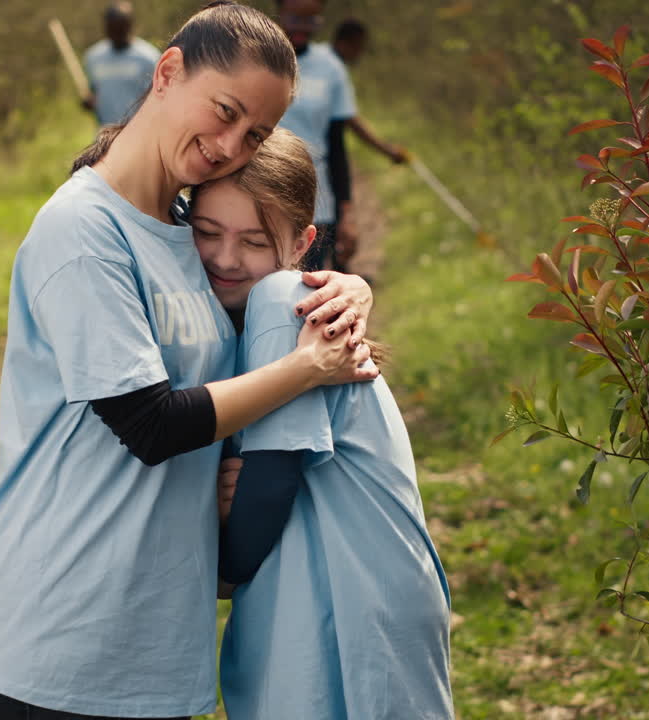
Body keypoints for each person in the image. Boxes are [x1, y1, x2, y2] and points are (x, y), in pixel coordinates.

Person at [0, 4, 378, 719]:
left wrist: (342, 285)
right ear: (167, 71)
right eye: (224, 111)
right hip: (61, 632)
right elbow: (150, 423)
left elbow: (253, 323)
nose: (228, 144)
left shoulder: (191, 234)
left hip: (155, 642)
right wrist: (306, 369)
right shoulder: (83, 230)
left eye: (256, 133)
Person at [189, 130, 453, 719]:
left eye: (253, 241)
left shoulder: (284, 299)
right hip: (321, 591)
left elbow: (270, 482)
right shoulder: (230, 319)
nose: (226, 258)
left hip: (352, 593)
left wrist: (217, 568)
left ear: (302, 244)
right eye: (207, 233)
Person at [274, 0, 409, 273]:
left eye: (310, 20)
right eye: (294, 18)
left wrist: (346, 213)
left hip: (315, 204)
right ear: (279, 11)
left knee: (306, 289)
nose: (302, 28)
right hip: (260, 198)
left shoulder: (330, 69)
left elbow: (337, 144)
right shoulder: (255, 58)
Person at [81, 3, 161, 126]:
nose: (116, 32)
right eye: (112, 27)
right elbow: (94, 91)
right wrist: (90, 102)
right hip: (104, 135)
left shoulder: (148, 58)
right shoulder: (94, 57)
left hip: (137, 132)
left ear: (129, 26)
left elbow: (158, 98)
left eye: (120, 27)